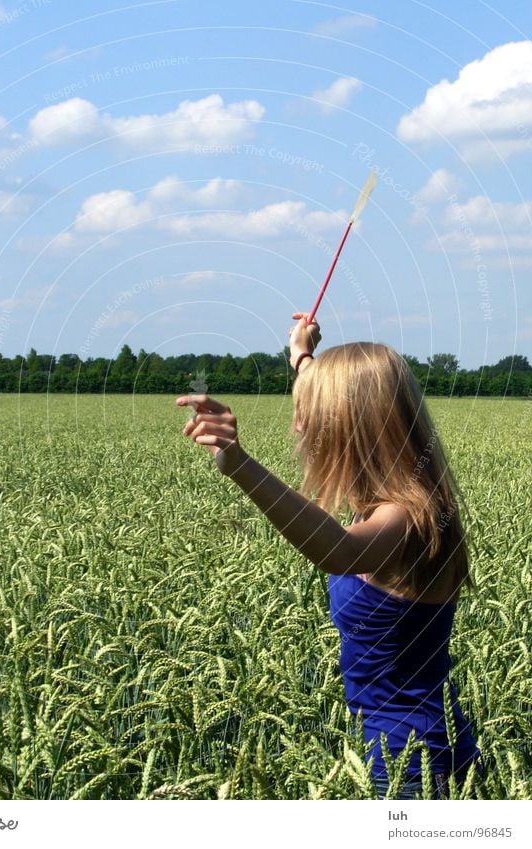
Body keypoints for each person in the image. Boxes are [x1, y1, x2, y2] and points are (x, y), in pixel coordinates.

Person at [175, 316, 482, 799]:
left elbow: (340, 551)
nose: (299, 426)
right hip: (423, 740)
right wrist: (301, 354)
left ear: (348, 428)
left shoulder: (406, 518)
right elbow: (343, 396)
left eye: (312, 417)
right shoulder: (406, 499)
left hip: (409, 763)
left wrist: (241, 465)